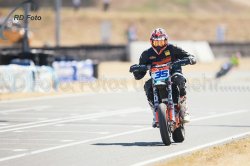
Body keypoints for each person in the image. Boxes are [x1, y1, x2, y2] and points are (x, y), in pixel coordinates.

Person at [129, 28, 196, 127]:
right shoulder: (146, 54)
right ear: (151, 42)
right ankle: (155, 111)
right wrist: (136, 70)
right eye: (156, 43)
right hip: (157, 78)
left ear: (166, 40)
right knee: (147, 85)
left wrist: (189, 59)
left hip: (173, 74)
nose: (159, 45)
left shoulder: (173, 48)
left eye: (161, 42)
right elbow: (139, 75)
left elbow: (190, 57)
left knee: (179, 79)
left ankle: (183, 108)